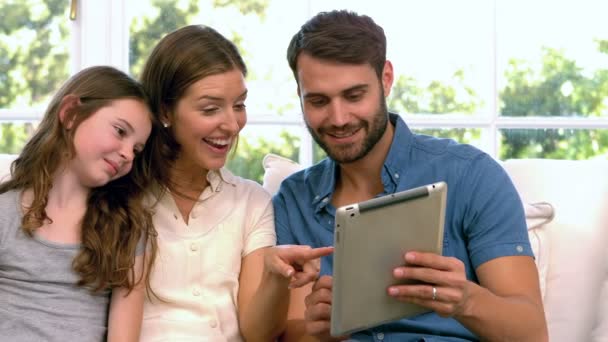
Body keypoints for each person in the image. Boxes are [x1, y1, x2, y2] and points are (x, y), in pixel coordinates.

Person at [273, 9, 548, 342]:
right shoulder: (292, 201)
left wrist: (465, 299)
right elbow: (290, 332)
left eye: (354, 95)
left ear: (386, 79)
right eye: (318, 101)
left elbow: (531, 333)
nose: (338, 117)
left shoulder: (471, 175)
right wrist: (318, 333)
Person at [138, 25, 332, 342]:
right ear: (165, 111)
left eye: (239, 105)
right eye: (210, 108)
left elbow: (256, 333)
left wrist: (274, 274)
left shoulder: (251, 201)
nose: (231, 125)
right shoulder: (123, 196)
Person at [0, 66, 158, 341]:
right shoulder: (5, 213)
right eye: (120, 131)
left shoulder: (126, 228)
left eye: (136, 149)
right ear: (71, 113)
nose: (127, 155)